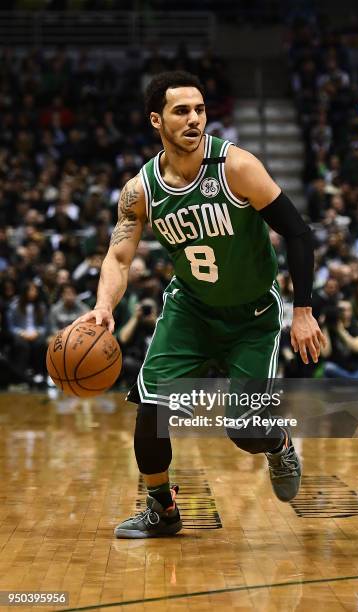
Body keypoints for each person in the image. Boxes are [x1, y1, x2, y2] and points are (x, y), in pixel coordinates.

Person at [73, 71, 325, 538]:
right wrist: (104, 306)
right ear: (156, 120)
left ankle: (280, 444)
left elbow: (297, 231)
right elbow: (118, 255)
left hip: (252, 317)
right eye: (181, 110)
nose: (195, 119)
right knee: (151, 415)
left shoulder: (236, 167)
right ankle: (162, 510)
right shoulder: (140, 189)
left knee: (244, 430)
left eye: (201, 109)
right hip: (190, 310)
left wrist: (304, 310)